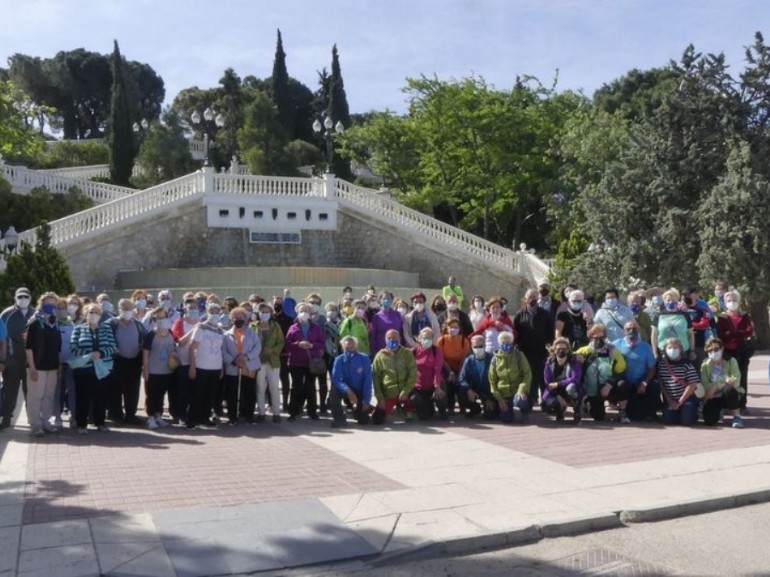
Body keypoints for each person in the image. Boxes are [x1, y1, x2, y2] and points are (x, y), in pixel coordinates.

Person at [70, 303, 116, 434]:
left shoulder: (106, 329)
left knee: (100, 397)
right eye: (91, 312)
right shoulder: (78, 329)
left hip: (102, 369)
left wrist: (100, 353)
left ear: (100, 315)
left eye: (97, 312)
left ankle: (100, 423)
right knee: (83, 398)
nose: (94, 315)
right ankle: (81, 425)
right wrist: (89, 354)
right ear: (86, 314)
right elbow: (73, 348)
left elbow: (112, 346)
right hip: (84, 369)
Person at [24, 292, 62, 437]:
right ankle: (35, 425)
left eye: (53, 304)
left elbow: (58, 346)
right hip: (37, 367)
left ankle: (46, 423)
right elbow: (29, 347)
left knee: (48, 396)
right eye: (47, 304)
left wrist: (59, 366)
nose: (50, 306)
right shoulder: (34, 322)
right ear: (41, 304)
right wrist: (32, 368)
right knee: (35, 396)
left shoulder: (55, 322)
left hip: (52, 366)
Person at [105, 298, 147, 425]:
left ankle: (130, 415)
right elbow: (105, 338)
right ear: (119, 309)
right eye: (124, 308)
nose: (127, 311)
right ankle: (115, 414)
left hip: (134, 361)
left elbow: (144, 340)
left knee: (133, 390)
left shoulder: (138, 324)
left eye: (129, 308)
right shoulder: (111, 323)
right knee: (115, 389)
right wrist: (113, 348)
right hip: (117, 361)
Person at [575, 324, 627, 422]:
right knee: (598, 417)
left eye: (601, 337)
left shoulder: (613, 351)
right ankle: (587, 402)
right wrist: (577, 360)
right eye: (595, 337)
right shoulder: (584, 351)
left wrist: (609, 384)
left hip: (608, 386)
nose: (599, 340)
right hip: (591, 388)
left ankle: (622, 412)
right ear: (590, 337)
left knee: (622, 385)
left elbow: (620, 371)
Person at [187, 302, 226, 429]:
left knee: (210, 395)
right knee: (198, 394)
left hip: (215, 368)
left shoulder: (220, 331)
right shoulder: (201, 327)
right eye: (212, 312)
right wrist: (192, 367)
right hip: (201, 367)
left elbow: (220, 350)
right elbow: (192, 348)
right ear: (207, 313)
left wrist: (221, 368)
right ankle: (192, 419)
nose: (214, 315)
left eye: (217, 312)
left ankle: (205, 418)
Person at [1, 287, 35, 429]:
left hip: (30, 360)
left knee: (31, 391)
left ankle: (33, 419)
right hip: (11, 360)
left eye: (25, 297)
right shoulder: (6, 314)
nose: (23, 299)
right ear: (15, 298)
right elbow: (1, 339)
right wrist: (2, 360)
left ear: (30, 298)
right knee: (10, 390)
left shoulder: (36, 314)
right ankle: (6, 418)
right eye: (20, 297)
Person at [715, 290, 754, 414]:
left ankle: (742, 405)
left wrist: (732, 333)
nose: (732, 303)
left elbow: (749, 330)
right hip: (727, 351)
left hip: (742, 351)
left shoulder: (744, 315)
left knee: (742, 377)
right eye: (729, 301)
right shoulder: (723, 317)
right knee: (727, 377)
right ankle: (728, 405)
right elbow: (721, 334)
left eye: (734, 300)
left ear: (739, 301)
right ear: (725, 302)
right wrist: (736, 333)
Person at [285, 302, 325, 422]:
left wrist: (312, 345)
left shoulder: (316, 327)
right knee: (296, 387)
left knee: (310, 387)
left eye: (306, 311)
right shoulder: (293, 328)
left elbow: (321, 343)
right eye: (302, 311)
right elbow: (287, 345)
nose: (304, 313)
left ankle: (312, 411)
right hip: (296, 362)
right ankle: (293, 411)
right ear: (297, 312)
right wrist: (298, 344)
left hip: (311, 362)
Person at [613, 320, 659, 422]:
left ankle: (652, 412)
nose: (631, 331)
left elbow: (652, 369)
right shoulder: (616, 344)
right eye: (628, 329)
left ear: (638, 330)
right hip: (625, 385)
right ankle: (622, 411)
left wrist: (644, 383)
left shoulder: (646, 347)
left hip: (640, 385)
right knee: (621, 384)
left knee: (655, 385)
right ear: (624, 331)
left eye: (634, 328)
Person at [222, 306, 261, 425]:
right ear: (231, 319)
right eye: (235, 317)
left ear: (245, 319)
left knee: (249, 391)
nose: (238, 319)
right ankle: (232, 417)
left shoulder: (252, 333)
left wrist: (246, 357)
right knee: (232, 393)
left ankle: (249, 416)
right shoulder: (226, 334)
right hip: (233, 367)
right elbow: (223, 351)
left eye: (241, 317)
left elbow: (257, 348)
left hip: (248, 366)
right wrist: (233, 361)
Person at [514, 288, 553, 405]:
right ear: (526, 299)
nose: (533, 299)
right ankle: (532, 398)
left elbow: (550, 332)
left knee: (541, 374)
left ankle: (544, 399)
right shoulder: (519, 315)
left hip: (541, 350)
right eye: (530, 297)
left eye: (535, 297)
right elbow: (516, 333)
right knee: (529, 374)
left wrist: (549, 347)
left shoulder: (545, 314)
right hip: (525, 350)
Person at [371, 329, 417, 424]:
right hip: (389, 392)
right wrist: (380, 398)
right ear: (385, 339)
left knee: (418, 403)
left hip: (405, 391)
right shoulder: (380, 356)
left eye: (395, 338)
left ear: (400, 338)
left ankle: (407, 408)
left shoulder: (407, 353)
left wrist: (406, 390)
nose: (392, 340)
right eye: (389, 338)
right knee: (377, 419)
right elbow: (376, 378)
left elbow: (413, 373)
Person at [142, 307, 177, 429]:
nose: (163, 319)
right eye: (159, 317)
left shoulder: (171, 333)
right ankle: (150, 417)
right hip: (153, 371)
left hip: (166, 370)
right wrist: (145, 370)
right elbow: (145, 354)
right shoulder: (151, 335)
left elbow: (173, 349)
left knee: (161, 395)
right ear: (155, 319)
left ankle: (158, 416)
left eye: (165, 316)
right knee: (152, 395)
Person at [330, 336, 373, 428]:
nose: (350, 350)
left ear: (356, 347)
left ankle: (358, 411)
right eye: (347, 348)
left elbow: (368, 381)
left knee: (364, 420)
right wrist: (347, 390)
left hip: (359, 390)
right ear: (343, 348)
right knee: (334, 391)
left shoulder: (364, 358)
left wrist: (366, 401)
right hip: (345, 390)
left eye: (352, 348)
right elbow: (336, 378)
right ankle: (339, 419)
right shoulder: (338, 360)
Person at [488, 332, 532, 424]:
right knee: (506, 419)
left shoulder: (519, 356)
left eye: (508, 343)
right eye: (503, 343)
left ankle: (525, 412)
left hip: (517, 391)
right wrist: (499, 399)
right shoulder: (495, 359)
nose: (505, 345)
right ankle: (509, 412)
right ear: (499, 343)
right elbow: (492, 381)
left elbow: (527, 374)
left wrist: (521, 390)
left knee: (520, 400)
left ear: (512, 343)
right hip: (504, 394)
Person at [699, 337, 743, 428]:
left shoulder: (731, 361)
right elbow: (706, 385)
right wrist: (724, 380)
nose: (713, 352)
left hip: (729, 394)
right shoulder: (705, 365)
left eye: (716, 349)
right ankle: (718, 412)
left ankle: (737, 416)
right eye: (710, 350)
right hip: (714, 396)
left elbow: (736, 380)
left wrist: (716, 386)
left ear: (722, 348)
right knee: (709, 421)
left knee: (729, 390)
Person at [656, 337, 700, 426]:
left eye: (675, 348)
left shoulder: (687, 364)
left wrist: (680, 402)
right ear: (665, 350)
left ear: (680, 349)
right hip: (671, 399)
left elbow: (692, 385)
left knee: (687, 420)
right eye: (669, 348)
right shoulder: (662, 365)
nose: (672, 350)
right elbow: (662, 384)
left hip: (687, 398)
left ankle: (692, 413)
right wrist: (670, 401)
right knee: (668, 420)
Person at [170, 301, 201, 425]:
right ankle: (181, 415)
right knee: (183, 391)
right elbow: (180, 342)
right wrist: (194, 330)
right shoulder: (179, 323)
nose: (194, 310)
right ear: (185, 310)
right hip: (183, 362)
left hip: (198, 362)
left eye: (195, 308)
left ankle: (193, 416)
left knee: (195, 391)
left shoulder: (201, 324)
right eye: (191, 308)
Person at [254, 302, 284, 423]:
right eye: (262, 311)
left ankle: (276, 413)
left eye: (267, 312)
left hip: (273, 361)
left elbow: (281, 342)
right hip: (258, 361)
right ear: (258, 313)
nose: (264, 314)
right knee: (260, 387)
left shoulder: (275, 326)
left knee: (274, 388)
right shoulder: (253, 326)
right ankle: (261, 413)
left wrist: (272, 350)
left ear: (270, 313)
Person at [541, 338, 583, 423]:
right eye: (558, 349)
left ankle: (577, 412)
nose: (561, 351)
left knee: (571, 388)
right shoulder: (549, 362)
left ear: (568, 350)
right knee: (546, 403)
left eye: (564, 349)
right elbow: (547, 381)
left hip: (569, 389)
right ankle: (560, 410)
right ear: (554, 349)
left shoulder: (574, 361)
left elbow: (575, 378)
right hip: (555, 390)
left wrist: (558, 384)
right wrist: (557, 396)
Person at [410, 327, 447, 420]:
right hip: (420, 386)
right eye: (425, 337)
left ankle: (442, 411)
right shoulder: (413, 352)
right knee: (419, 408)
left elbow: (437, 369)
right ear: (419, 338)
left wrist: (437, 387)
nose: (428, 340)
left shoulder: (436, 351)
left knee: (440, 395)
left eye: (430, 338)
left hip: (435, 384)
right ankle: (429, 408)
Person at [650, 288, 696, 363]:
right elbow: (654, 335)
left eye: (673, 300)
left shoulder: (685, 316)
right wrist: (655, 352)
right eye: (668, 300)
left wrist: (692, 351)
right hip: (663, 353)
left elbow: (691, 334)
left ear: (677, 301)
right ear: (664, 301)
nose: (670, 302)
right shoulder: (658, 316)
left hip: (683, 352)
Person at [436, 317, 471, 414]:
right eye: (451, 327)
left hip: (461, 367)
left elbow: (464, 359)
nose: (453, 329)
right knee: (449, 384)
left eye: (456, 327)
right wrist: (450, 372)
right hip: (447, 368)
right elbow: (441, 359)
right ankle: (450, 406)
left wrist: (458, 374)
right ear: (446, 328)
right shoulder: (441, 340)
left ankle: (462, 406)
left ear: (459, 328)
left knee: (460, 384)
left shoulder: (464, 341)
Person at [457, 335, 496, 419]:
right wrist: (468, 389)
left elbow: (498, 381)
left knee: (490, 416)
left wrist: (490, 398)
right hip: (475, 390)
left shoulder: (493, 359)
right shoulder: (469, 360)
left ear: (485, 345)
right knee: (461, 392)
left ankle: (489, 406)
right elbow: (462, 378)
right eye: (475, 347)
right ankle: (475, 408)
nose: (478, 349)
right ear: (471, 347)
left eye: (481, 346)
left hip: (489, 392)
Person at [52, 296, 75, 428]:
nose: (61, 311)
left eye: (63, 308)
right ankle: (57, 416)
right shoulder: (52, 323)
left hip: (70, 363)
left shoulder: (71, 324)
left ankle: (73, 415)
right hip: (55, 363)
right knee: (57, 391)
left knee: (72, 390)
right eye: (58, 308)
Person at [272, 295, 293, 411]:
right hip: (271, 354)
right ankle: (272, 404)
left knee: (285, 380)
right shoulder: (269, 319)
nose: (277, 305)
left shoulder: (289, 320)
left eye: (279, 303)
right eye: (275, 303)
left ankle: (285, 403)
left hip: (284, 354)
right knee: (271, 380)